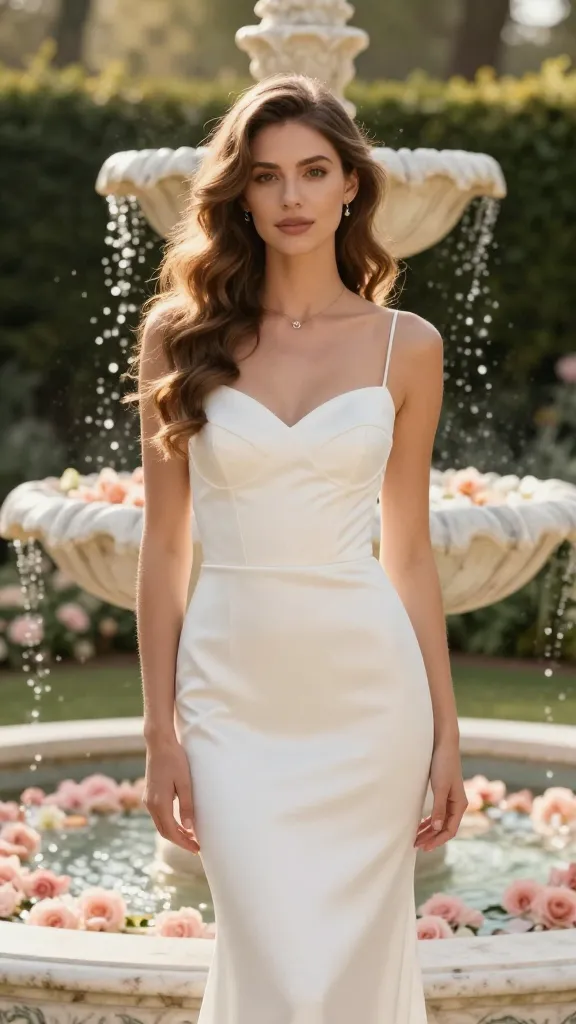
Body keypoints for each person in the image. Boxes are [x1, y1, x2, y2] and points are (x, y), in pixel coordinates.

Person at [124, 72, 468, 1024]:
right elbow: (164, 549)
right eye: (267, 175)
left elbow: (409, 552)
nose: (292, 197)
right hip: (230, 693)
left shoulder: (408, 346)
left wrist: (446, 732)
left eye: (314, 171)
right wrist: (159, 733)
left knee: (353, 966)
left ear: (350, 184)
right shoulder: (179, 337)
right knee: (268, 954)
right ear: (239, 191)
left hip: (370, 699)